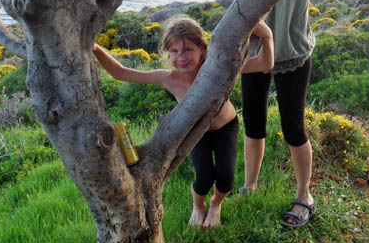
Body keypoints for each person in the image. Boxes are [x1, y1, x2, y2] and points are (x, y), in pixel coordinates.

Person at [239, 0, 368, 228]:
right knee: (254, 123)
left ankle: (304, 194)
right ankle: (250, 186)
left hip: (293, 50)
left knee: (294, 126)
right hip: (256, 49)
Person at [93, 15, 274, 228]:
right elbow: (120, 73)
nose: (182, 57)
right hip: (197, 131)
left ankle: (216, 204)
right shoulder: (168, 78)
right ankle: (199, 206)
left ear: (202, 49)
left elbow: (265, 63)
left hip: (226, 125)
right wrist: (95, 48)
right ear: (169, 54)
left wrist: (268, 37)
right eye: (175, 51)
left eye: (188, 49)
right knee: (204, 177)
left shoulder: (216, 69)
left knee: (226, 177)